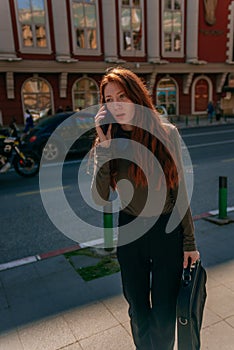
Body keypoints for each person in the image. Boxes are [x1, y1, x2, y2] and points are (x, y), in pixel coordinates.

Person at [91, 67, 200, 350]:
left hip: (167, 233)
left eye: (122, 96)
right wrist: (104, 147)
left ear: (136, 96)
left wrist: (190, 242)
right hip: (130, 232)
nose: (116, 104)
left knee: (164, 314)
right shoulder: (109, 139)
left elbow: (179, 191)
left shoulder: (166, 133)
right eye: (109, 99)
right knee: (138, 311)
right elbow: (100, 197)